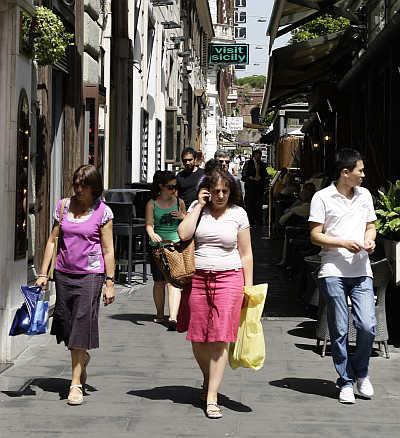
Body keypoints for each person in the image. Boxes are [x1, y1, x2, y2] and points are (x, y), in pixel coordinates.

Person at [35, 164, 115, 406]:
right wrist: (43, 272)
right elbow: (52, 241)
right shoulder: (63, 206)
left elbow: (108, 249)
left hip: (90, 276)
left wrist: (110, 282)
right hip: (63, 273)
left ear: (94, 187)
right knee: (66, 324)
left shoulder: (103, 212)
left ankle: (75, 383)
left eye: (84, 185)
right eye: (76, 184)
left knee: (81, 324)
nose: (78, 189)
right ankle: (82, 358)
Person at [178, 170, 253, 419]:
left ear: (231, 192)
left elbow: (246, 253)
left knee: (220, 338)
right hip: (198, 278)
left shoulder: (238, 214)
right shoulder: (199, 209)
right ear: (207, 190)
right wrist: (199, 205)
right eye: (216, 191)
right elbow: (183, 234)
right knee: (198, 337)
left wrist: (248, 287)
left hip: (229, 278)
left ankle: (212, 397)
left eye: (225, 191)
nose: (220, 196)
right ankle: (210, 378)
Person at [309, 148, 377, 404]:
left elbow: (371, 227)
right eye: (359, 170)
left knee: (367, 326)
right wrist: (342, 243)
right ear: (345, 173)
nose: (363, 174)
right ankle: (345, 380)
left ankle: (361, 373)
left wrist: (369, 241)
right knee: (338, 328)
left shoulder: (365, 196)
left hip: (361, 270)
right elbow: (315, 234)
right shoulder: (322, 197)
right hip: (333, 270)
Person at [145, 170, 186, 331]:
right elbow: (149, 224)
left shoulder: (179, 202)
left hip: (175, 245)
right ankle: (160, 313)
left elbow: (187, 223)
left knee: (173, 281)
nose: (173, 190)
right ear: (161, 187)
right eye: (170, 187)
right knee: (159, 282)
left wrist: (183, 217)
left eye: (175, 187)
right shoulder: (152, 204)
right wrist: (152, 234)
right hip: (158, 248)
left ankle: (173, 317)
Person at [242, 149, 267, 225]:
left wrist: (262, 179)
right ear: (254, 155)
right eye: (258, 155)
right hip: (250, 187)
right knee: (250, 204)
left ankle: (258, 220)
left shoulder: (262, 164)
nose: (259, 157)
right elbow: (244, 174)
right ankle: (250, 220)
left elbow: (265, 174)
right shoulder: (248, 163)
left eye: (260, 155)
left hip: (259, 187)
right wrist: (251, 178)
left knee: (259, 204)